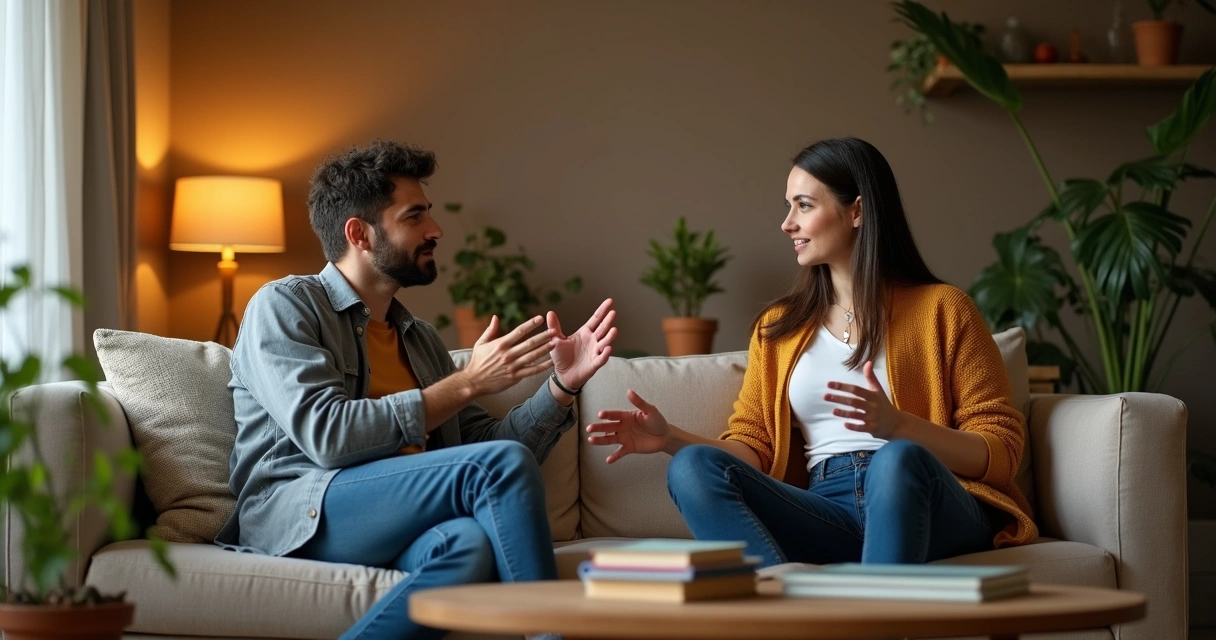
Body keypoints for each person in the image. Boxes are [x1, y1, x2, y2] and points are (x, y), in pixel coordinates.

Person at [215, 139, 617, 640]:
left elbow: (485, 454)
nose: (436, 230)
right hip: (301, 511)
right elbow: (327, 436)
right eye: (415, 217)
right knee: (494, 471)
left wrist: (560, 387)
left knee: (467, 544)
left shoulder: (420, 339)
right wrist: (469, 381)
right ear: (358, 234)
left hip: (394, 514)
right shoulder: (284, 306)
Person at [586, 137, 1036, 567]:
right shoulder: (778, 329)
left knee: (897, 461)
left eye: (803, 205)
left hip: (929, 498)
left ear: (857, 211)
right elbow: (756, 449)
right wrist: (669, 439)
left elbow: (1000, 453)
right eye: (788, 206)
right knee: (692, 467)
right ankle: (779, 615)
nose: (787, 223)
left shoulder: (943, 309)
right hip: (829, 508)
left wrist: (900, 427)